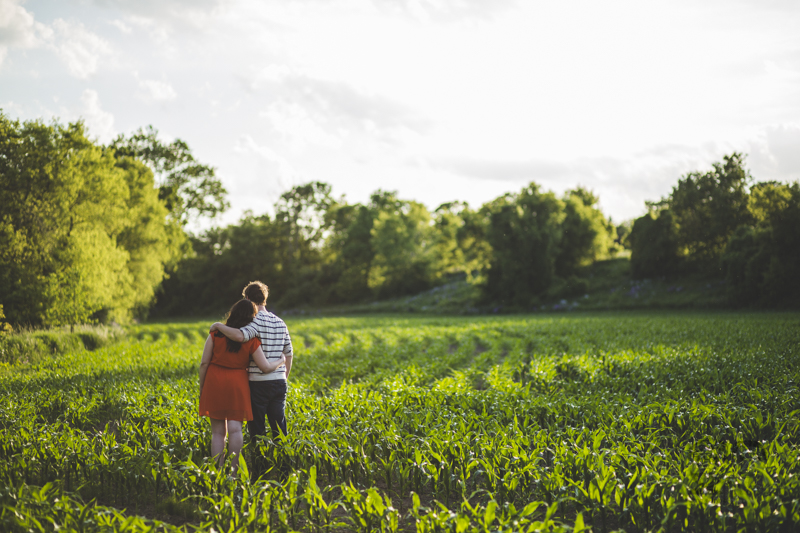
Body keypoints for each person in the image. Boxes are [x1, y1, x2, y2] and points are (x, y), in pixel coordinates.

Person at [199, 299, 285, 472]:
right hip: (237, 383)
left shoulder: (215, 334)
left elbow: (204, 364)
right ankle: (233, 471)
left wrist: (203, 388)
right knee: (235, 429)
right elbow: (265, 367)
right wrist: (281, 360)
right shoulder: (251, 340)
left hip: (214, 382)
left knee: (217, 432)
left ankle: (217, 471)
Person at [210, 281, 294, 443]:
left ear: (248, 299)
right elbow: (289, 354)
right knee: (280, 429)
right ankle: (284, 467)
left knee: (257, 430)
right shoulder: (280, 322)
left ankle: (260, 467)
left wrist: (218, 326)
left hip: (258, 384)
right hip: (279, 382)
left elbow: (240, 336)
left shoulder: (254, 322)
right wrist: (284, 377)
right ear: (265, 298)